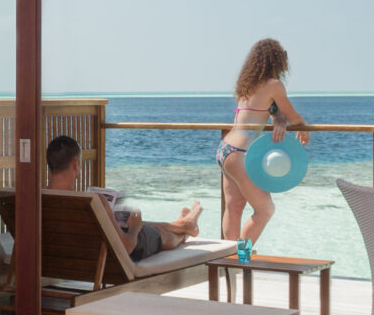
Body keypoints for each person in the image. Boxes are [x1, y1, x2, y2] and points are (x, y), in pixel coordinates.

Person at [46, 135, 202, 261]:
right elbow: (126, 248)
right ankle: (185, 231)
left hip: (75, 259)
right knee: (158, 234)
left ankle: (183, 224)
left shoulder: (39, 199)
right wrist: (134, 229)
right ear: (75, 164)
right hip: (108, 258)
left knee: (136, 224)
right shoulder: (92, 201)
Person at [220, 37, 311, 249]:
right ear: (278, 61)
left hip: (225, 149)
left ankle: (227, 261)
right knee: (265, 209)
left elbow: (273, 110)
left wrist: (278, 119)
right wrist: (303, 129)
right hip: (239, 153)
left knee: (234, 207)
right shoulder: (274, 85)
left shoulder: (246, 86)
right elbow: (294, 116)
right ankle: (241, 256)